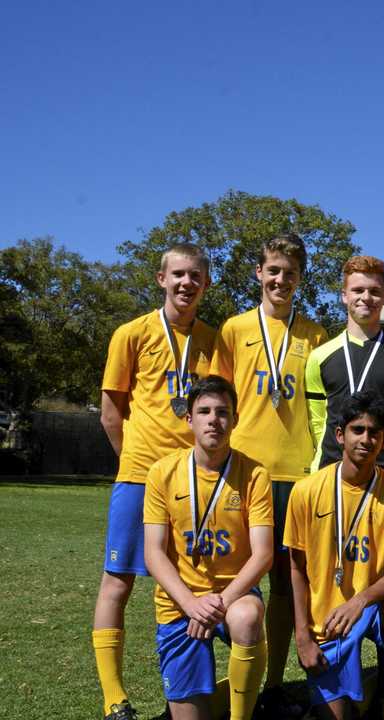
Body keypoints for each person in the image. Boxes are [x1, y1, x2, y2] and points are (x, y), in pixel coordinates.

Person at [95, 242, 217, 720]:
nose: (187, 283)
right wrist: (138, 465)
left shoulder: (213, 339)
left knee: (185, 584)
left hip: (195, 482)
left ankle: (182, 698)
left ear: (206, 285)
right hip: (142, 477)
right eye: (179, 274)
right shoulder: (131, 334)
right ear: (161, 278)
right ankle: (114, 697)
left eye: (196, 277)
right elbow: (111, 412)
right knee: (118, 582)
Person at [210, 232, 328, 711]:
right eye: (273, 270)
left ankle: (275, 684)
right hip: (242, 471)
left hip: (295, 476)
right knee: (233, 578)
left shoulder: (315, 334)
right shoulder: (233, 330)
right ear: (259, 273)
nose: (281, 280)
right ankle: (234, 680)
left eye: (290, 273)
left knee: (286, 584)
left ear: (300, 279)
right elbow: (216, 398)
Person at [284, 391, 384, 720]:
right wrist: (303, 638)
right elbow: (296, 569)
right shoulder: (305, 491)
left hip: (374, 605)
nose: (366, 438)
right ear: (340, 435)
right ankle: (361, 692)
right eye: (357, 430)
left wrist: (359, 601)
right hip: (327, 622)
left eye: (374, 432)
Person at [142, 375, 274, 720]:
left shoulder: (255, 473)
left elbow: (263, 554)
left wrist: (218, 604)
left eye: (222, 412)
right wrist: (190, 603)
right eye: (204, 411)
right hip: (180, 602)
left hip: (233, 595)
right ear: (189, 419)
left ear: (235, 419)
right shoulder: (161, 472)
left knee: (247, 617)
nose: (214, 419)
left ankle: (243, 714)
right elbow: (153, 552)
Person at [306, 255, 384, 478]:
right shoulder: (319, 357)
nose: (366, 297)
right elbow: (318, 423)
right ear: (344, 295)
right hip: (330, 473)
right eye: (358, 290)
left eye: (375, 291)